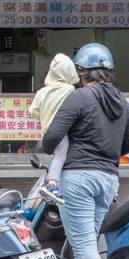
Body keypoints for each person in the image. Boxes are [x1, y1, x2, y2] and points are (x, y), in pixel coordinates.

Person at [41, 43, 129, 259]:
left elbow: (51, 138)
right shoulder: (121, 101)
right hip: (108, 178)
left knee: (82, 247)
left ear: (81, 71)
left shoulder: (79, 97)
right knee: (87, 246)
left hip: (79, 177)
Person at [29, 53, 79, 198]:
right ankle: (51, 185)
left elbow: (32, 111)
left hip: (47, 131)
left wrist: (44, 117)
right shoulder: (69, 90)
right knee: (60, 155)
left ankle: (51, 180)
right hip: (62, 131)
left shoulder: (42, 92)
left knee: (58, 155)